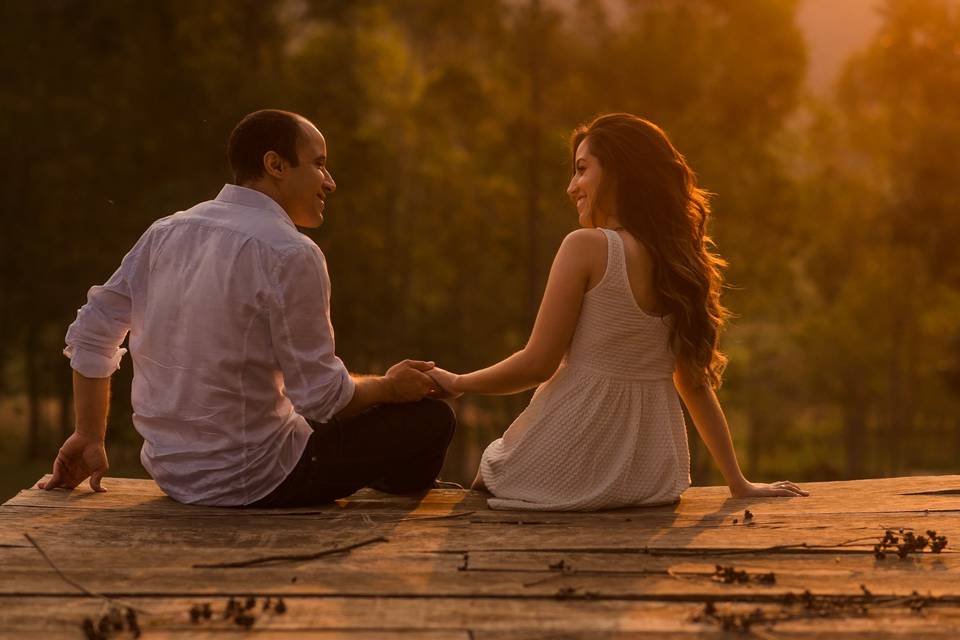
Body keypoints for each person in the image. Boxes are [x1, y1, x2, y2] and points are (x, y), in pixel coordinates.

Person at [39, 109, 456, 507]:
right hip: (258, 479)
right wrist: (390, 385)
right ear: (275, 164)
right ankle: (394, 480)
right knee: (431, 419)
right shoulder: (291, 252)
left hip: (173, 474)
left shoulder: (166, 231)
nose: (329, 182)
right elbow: (323, 398)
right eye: (319, 164)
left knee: (320, 421)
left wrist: (88, 433)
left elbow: (92, 332)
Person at [427, 113, 807, 511]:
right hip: (651, 478)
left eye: (582, 169)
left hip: (568, 461)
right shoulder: (682, 264)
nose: (570, 186)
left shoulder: (586, 247)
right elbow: (694, 385)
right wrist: (739, 483)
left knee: (491, 472)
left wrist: (458, 381)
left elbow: (536, 365)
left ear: (621, 173)